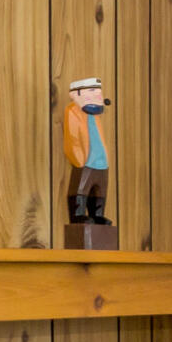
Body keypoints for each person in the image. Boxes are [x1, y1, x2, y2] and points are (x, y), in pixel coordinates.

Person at [62, 76, 115, 247]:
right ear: (77, 94)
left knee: (99, 190)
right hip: (85, 161)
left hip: (101, 163)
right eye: (92, 91)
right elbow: (72, 137)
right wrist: (79, 159)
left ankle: (97, 214)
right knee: (81, 189)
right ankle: (79, 214)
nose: (98, 95)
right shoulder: (73, 112)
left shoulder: (95, 116)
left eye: (98, 92)